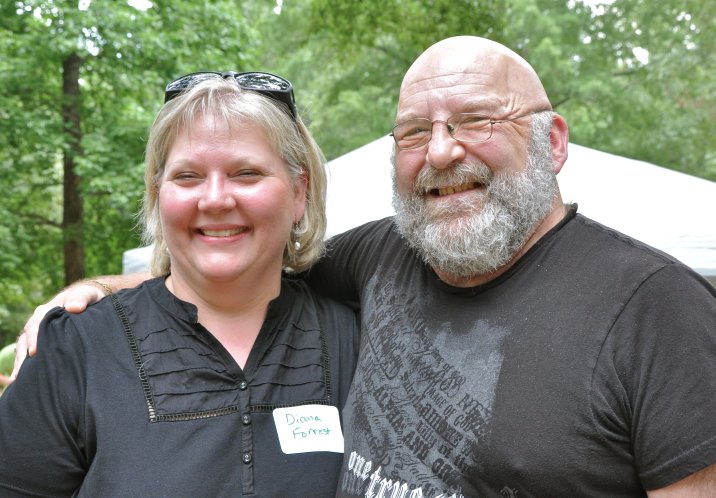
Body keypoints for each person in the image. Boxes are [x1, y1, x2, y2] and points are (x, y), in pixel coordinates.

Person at [13, 37, 716, 496]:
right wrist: (95, 292)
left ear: (553, 142)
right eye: (414, 131)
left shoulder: (658, 308)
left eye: (476, 120)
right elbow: (232, 266)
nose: (441, 151)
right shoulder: (385, 259)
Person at [0, 71, 360, 497]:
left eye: (246, 173)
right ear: (158, 194)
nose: (215, 199)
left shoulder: (359, 341)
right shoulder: (74, 350)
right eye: (188, 176)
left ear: (299, 193)